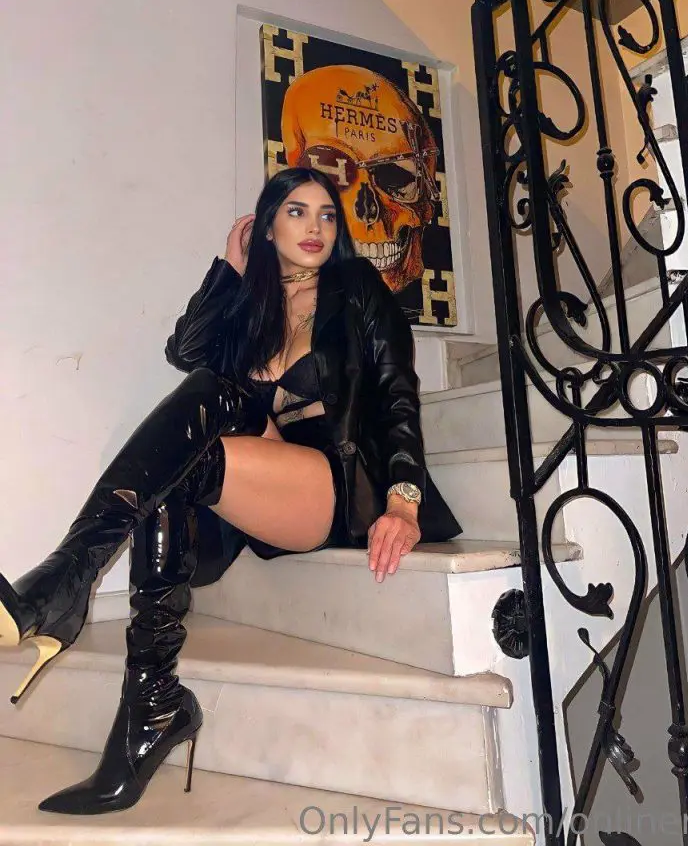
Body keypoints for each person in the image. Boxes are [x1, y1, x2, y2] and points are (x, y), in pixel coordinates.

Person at [0, 166, 462, 815]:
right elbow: (186, 350)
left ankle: (68, 577)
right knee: (197, 412)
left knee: (195, 426)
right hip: (265, 483)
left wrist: (403, 499)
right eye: (296, 211)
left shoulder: (356, 287)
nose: (315, 226)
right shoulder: (255, 305)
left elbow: (396, 393)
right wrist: (230, 270)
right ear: (267, 225)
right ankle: (152, 702)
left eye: (327, 214)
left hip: (330, 484)